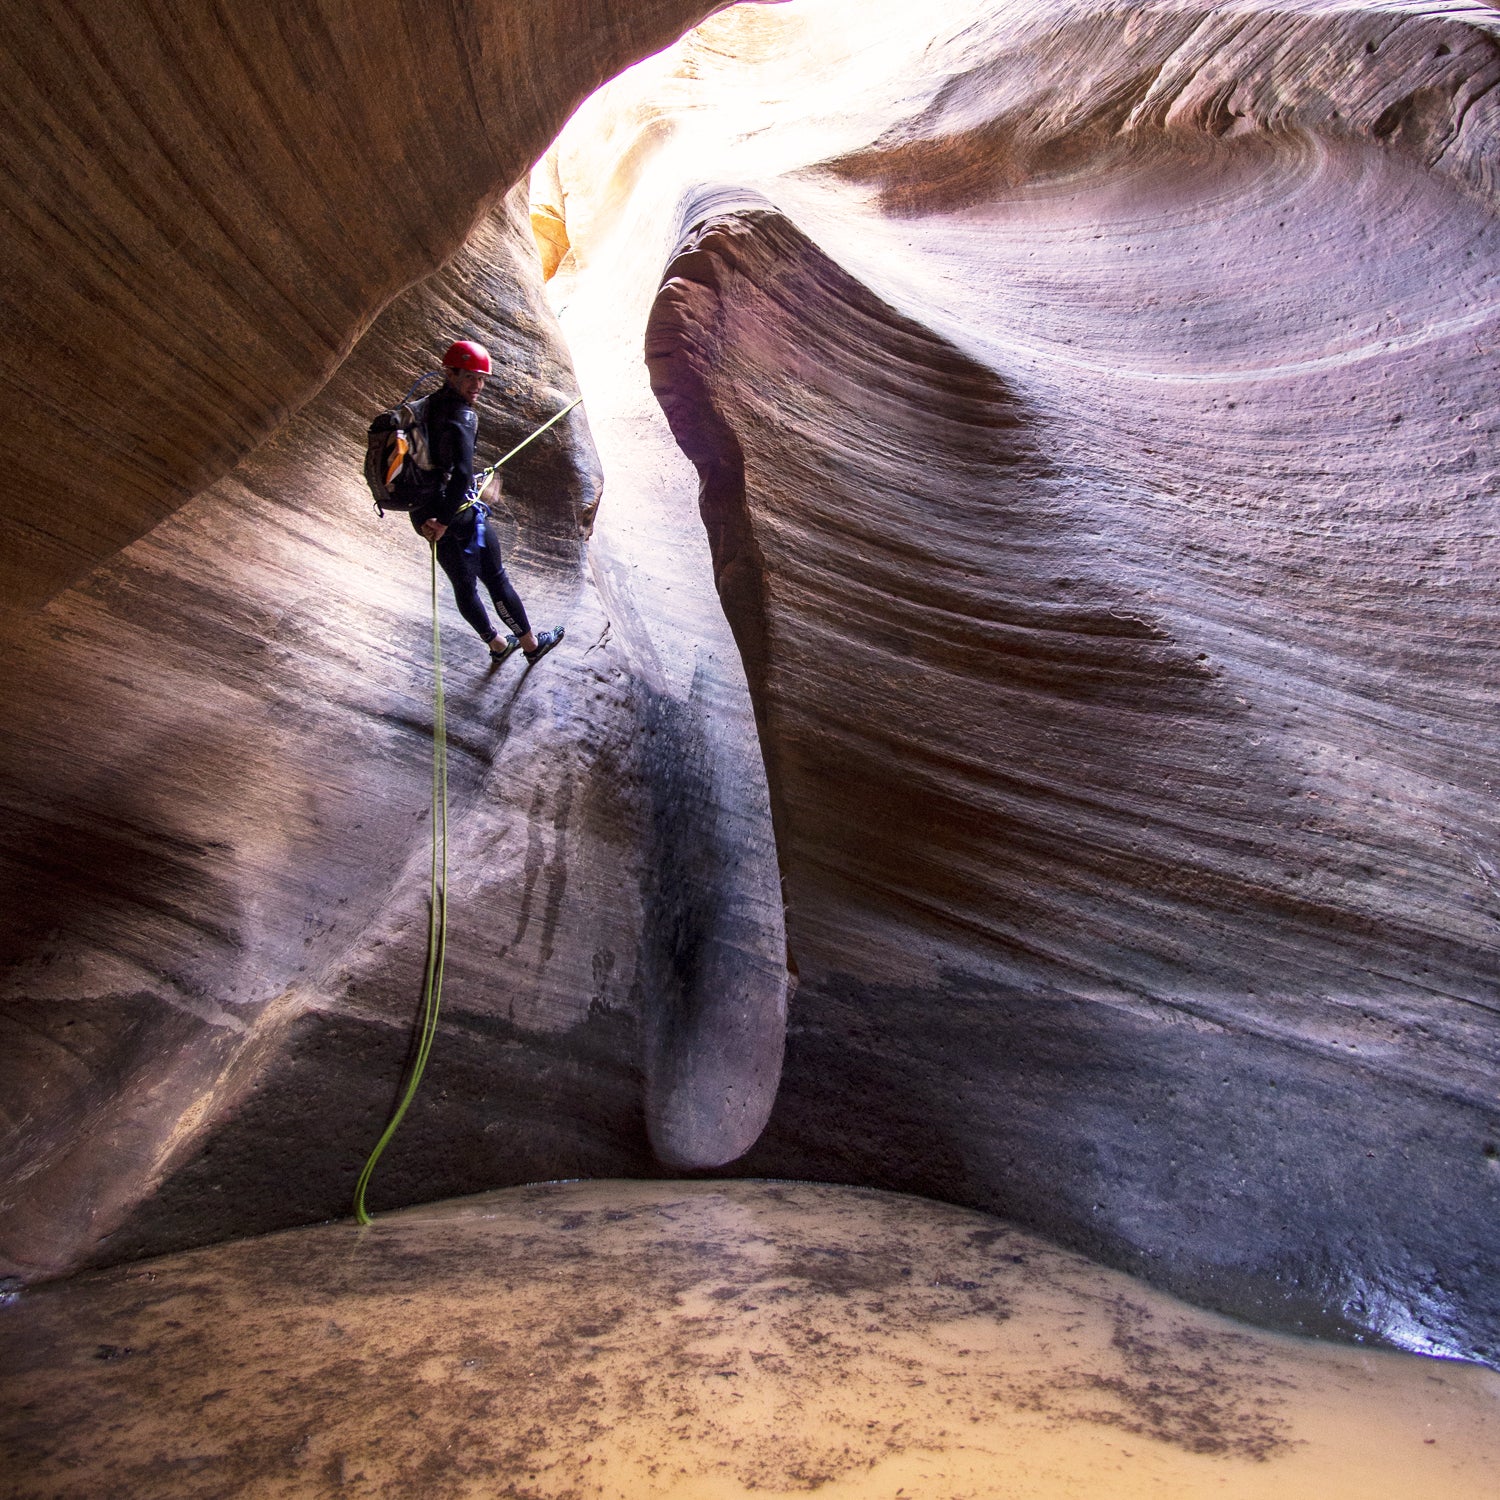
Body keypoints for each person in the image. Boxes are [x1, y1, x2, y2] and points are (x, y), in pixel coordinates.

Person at [408, 339, 564, 666]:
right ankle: (531, 645)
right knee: (496, 578)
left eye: (481, 378)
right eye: (470, 377)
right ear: (450, 373)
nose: (477, 386)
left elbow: (436, 463)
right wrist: (448, 518)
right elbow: (462, 475)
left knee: (463, 586)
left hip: (424, 515)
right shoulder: (463, 416)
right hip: (458, 519)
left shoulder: (423, 407)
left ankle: (496, 645)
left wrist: (433, 520)